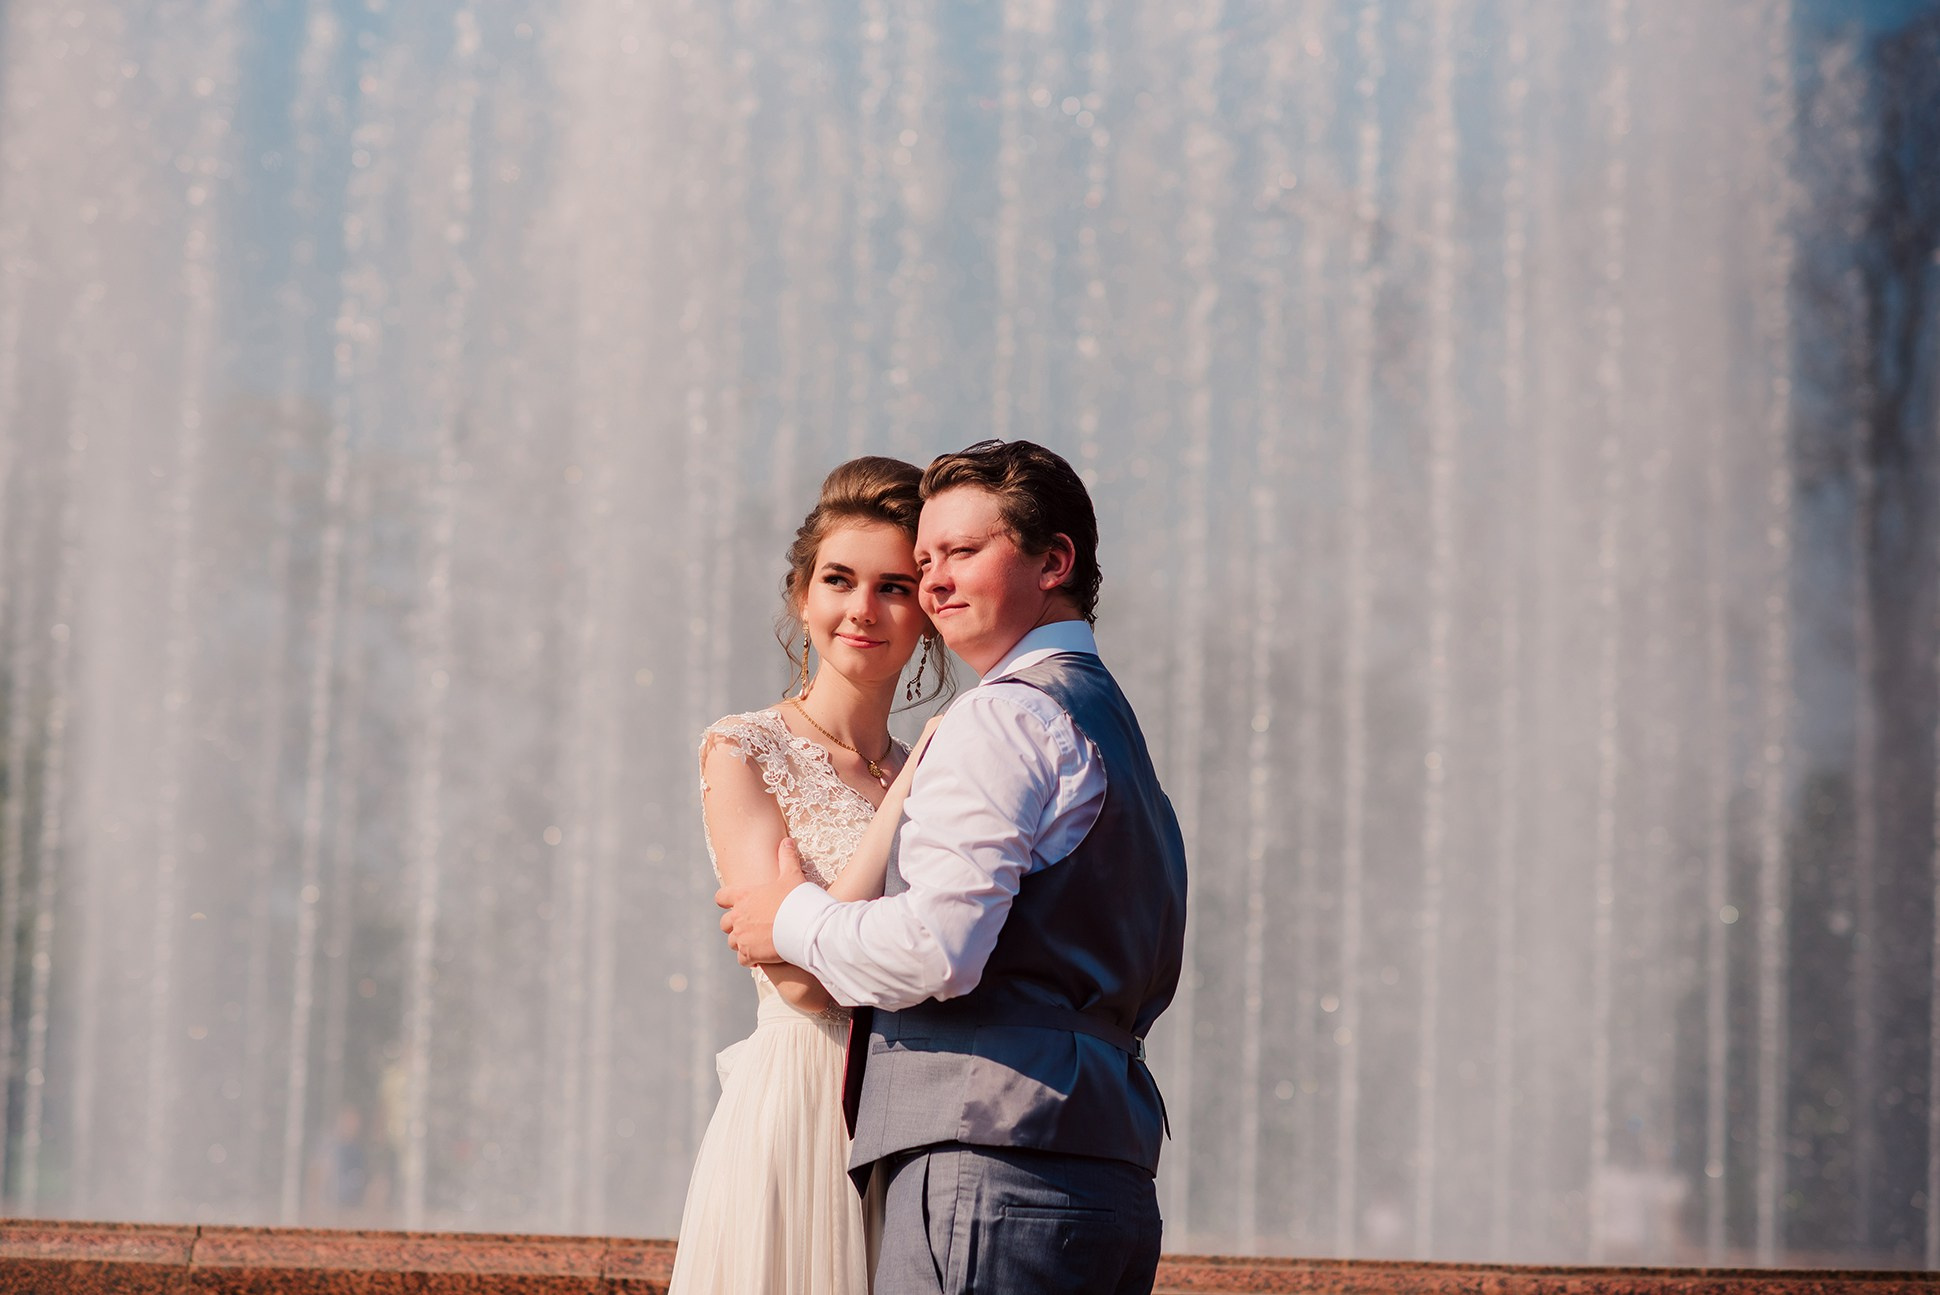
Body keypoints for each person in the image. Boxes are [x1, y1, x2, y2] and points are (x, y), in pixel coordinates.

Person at [720, 439, 1189, 1295]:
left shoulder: (1002, 719)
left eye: (960, 554)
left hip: (990, 1164)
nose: (933, 582)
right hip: (1105, 1166)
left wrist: (789, 916)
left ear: (1054, 561)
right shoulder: (1108, 720)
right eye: (925, 559)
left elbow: (939, 950)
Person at [669, 456, 951, 1295]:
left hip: (909, 1116)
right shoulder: (743, 749)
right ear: (802, 594)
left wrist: (814, 910)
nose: (863, 609)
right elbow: (803, 988)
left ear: (929, 611)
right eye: (839, 579)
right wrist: (905, 793)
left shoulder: (940, 767)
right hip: (796, 1110)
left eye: (895, 586)